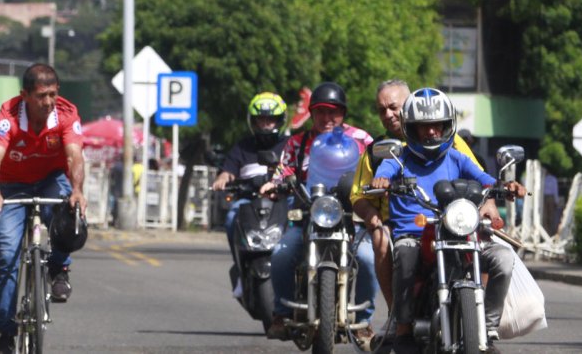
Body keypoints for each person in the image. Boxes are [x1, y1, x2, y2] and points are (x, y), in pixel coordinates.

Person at [371, 88, 526, 354]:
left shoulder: (456, 156)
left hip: (458, 231)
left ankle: (485, 329)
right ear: (412, 128)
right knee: (405, 254)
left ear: (446, 125)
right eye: (424, 126)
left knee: (503, 258)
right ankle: (404, 327)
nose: (431, 132)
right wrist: (382, 180)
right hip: (415, 233)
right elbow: (386, 169)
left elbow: (484, 178)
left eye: (437, 125)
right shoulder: (400, 157)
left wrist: (506, 186)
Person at [351, 80, 493, 319]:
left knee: (488, 243)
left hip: (450, 220)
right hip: (399, 224)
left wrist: (489, 203)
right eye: (382, 110)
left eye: (394, 107)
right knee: (382, 240)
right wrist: (372, 216)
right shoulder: (377, 150)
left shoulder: (450, 142)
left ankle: (480, 320)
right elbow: (357, 195)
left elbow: (480, 177)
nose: (388, 114)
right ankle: (398, 318)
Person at [262, 81, 377, 350]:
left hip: (350, 217)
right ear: (312, 113)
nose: (327, 118)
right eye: (321, 112)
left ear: (343, 114)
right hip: (306, 216)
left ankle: (363, 322)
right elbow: (283, 171)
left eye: (333, 112)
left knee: (368, 258)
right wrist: (275, 183)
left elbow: (378, 170)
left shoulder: (361, 140)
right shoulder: (297, 142)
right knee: (281, 253)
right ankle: (281, 314)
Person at [0, 64, 87, 354]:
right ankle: (4, 331)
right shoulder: (9, 115)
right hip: (12, 185)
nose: (48, 102)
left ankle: (59, 268)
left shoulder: (66, 113)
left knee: (68, 214)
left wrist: (77, 190)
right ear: (24, 95)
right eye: (41, 96)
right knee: (6, 258)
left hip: (51, 179)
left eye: (53, 94)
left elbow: (75, 156)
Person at [211, 91, 289, 262]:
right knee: (232, 217)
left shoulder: (290, 145)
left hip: (282, 200)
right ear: (253, 121)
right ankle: (240, 268)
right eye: (261, 119)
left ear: (280, 120)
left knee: (299, 222)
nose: (266, 124)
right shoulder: (242, 147)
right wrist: (222, 179)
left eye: (271, 119)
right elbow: (228, 170)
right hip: (249, 201)